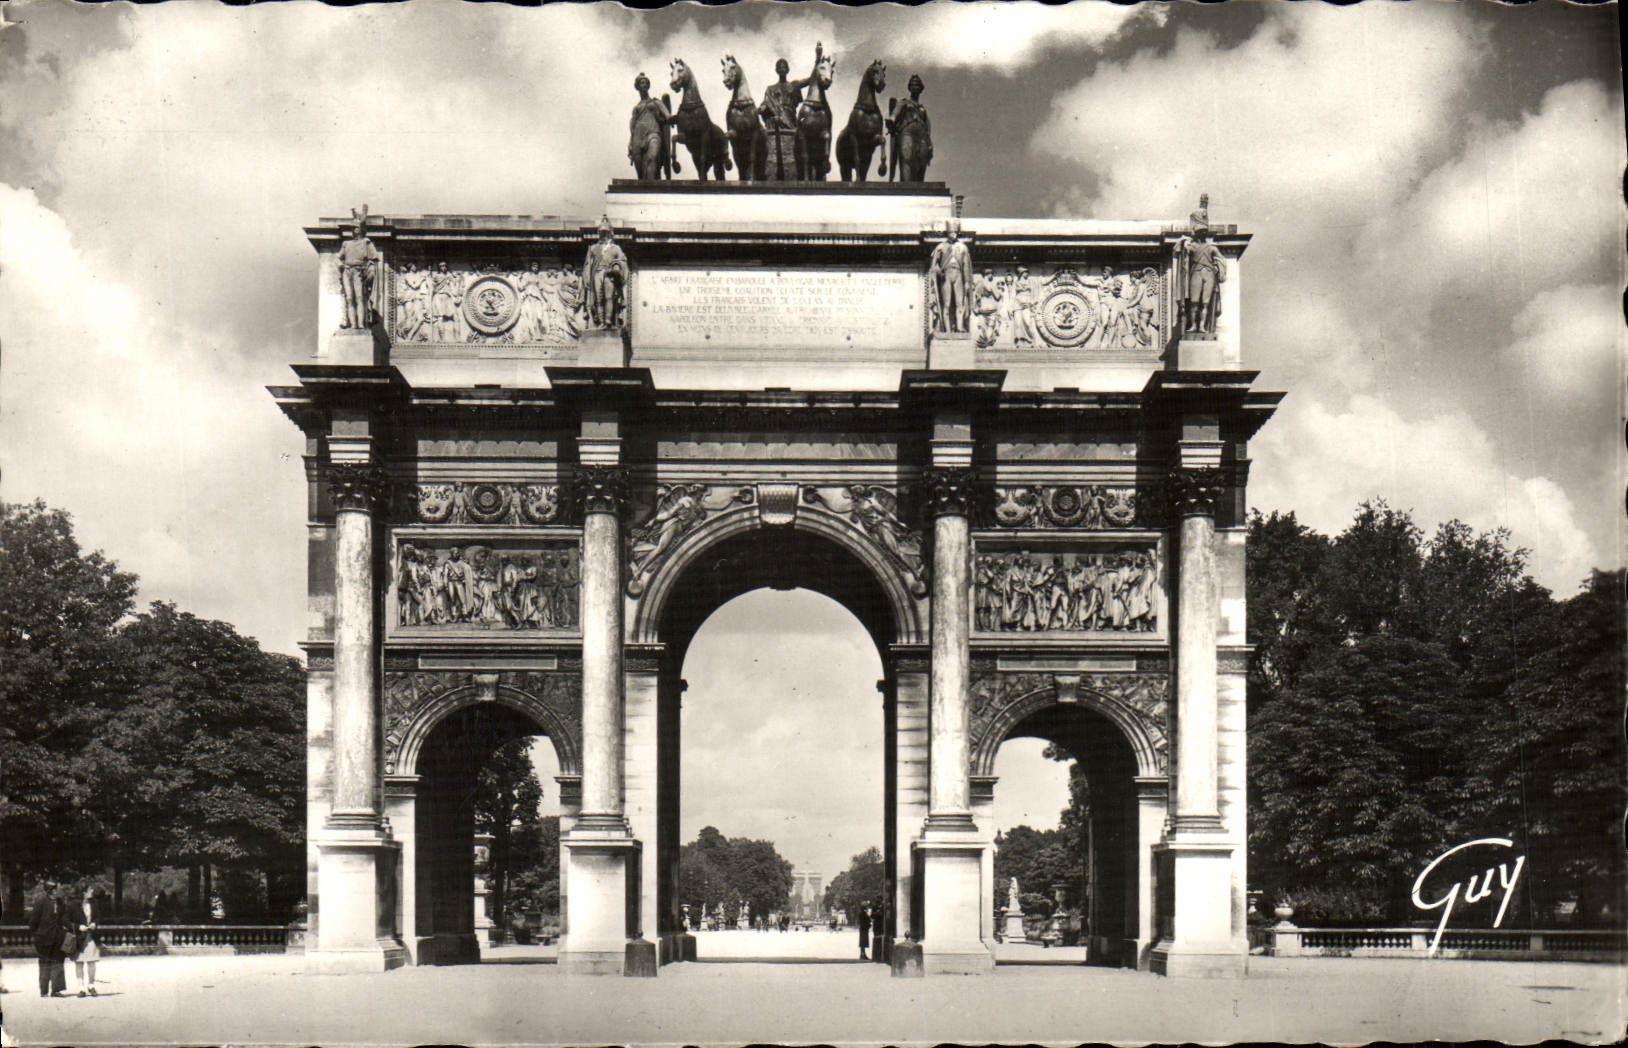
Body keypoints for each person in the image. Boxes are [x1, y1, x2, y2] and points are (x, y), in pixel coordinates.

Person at [27, 881, 67, 998]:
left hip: (58, 938)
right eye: (54, 889)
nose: (56, 891)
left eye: (56, 889)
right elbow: (33, 921)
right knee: (44, 964)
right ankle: (43, 990)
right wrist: (38, 935)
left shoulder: (60, 902)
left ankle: (56, 990)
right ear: (48, 890)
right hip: (43, 939)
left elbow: (63, 918)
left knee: (58, 962)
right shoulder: (40, 902)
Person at [71, 886, 102, 997]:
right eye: (90, 890)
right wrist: (78, 927)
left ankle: (91, 985)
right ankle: (81, 988)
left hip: (91, 936)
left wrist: (95, 923)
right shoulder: (73, 904)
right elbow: (65, 920)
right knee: (79, 962)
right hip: (79, 937)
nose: (92, 891)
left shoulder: (94, 903)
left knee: (91, 962)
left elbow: (98, 917)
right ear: (84, 892)